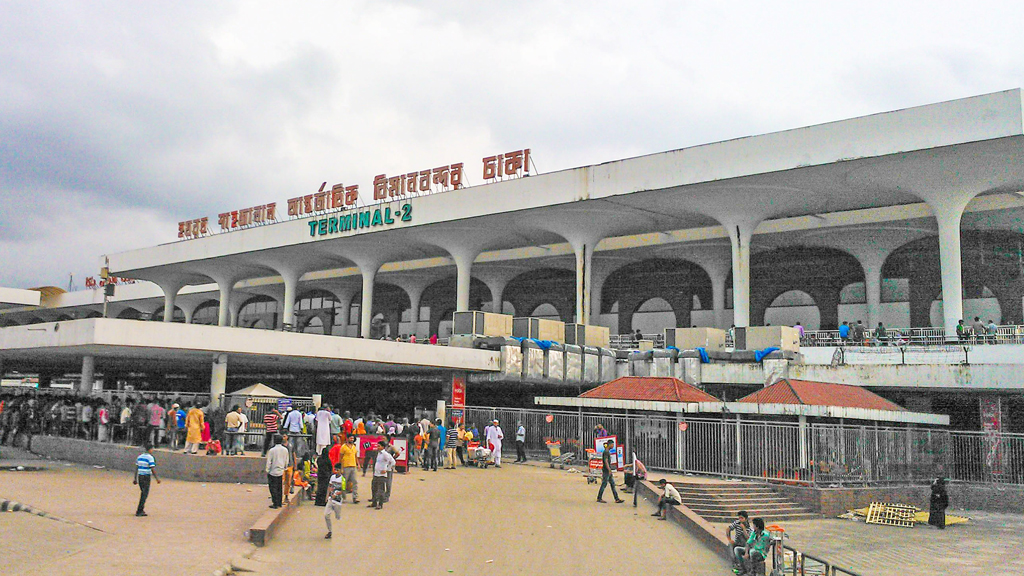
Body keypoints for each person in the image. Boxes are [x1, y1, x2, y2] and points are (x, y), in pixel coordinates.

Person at [133, 443, 161, 517]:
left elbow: (136, 468)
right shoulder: (150, 458)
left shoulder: (139, 457)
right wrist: (157, 478)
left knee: (143, 492)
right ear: (150, 449)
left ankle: (140, 509)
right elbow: (152, 468)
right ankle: (139, 510)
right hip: (146, 477)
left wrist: (135, 478)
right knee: (145, 493)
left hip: (140, 476)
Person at [370, 439, 395, 510]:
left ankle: (380, 504)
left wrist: (387, 469)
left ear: (383, 447)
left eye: (379, 446)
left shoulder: (385, 454)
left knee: (381, 489)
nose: (377, 447)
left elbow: (393, 462)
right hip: (376, 473)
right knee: (374, 488)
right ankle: (374, 502)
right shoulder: (378, 453)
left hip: (382, 475)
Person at [596, 439, 623, 504]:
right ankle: (599, 498)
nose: (613, 446)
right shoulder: (606, 452)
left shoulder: (607, 451)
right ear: (610, 444)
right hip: (606, 470)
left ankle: (617, 498)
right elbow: (606, 461)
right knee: (604, 484)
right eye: (612, 444)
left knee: (612, 484)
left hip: (608, 470)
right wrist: (609, 469)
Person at [323, 463, 345, 539]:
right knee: (326, 515)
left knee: (338, 517)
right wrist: (327, 495)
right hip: (331, 500)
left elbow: (344, 490)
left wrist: (337, 494)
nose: (336, 471)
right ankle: (330, 531)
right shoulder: (332, 477)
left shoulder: (343, 479)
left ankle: (339, 532)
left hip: (338, 501)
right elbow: (330, 486)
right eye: (335, 469)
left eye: (337, 470)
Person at [265, 435, 288, 509]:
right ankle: (279, 502)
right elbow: (286, 460)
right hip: (280, 471)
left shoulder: (272, 450)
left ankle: (275, 503)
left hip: (273, 471)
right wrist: (284, 467)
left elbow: (269, 461)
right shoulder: (285, 450)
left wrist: (267, 470)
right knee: (279, 487)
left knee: (273, 488)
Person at [339, 434, 359, 503]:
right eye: (350, 438)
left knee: (355, 482)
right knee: (344, 483)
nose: (352, 439)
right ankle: (343, 497)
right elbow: (340, 458)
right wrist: (341, 468)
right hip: (345, 466)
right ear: (347, 439)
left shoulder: (354, 447)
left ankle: (355, 497)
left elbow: (355, 456)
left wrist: (358, 464)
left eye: (353, 438)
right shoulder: (343, 447)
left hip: (353, 466)